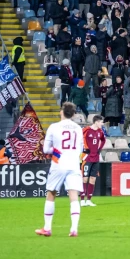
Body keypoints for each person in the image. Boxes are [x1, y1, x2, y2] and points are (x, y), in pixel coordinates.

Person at [36, 102, 84, 237]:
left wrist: (56, 152)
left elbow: (46, 149)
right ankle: (74, 229)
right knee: (74, 196)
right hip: (74, 164)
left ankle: (47, 228)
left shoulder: (54, 127)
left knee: (51, 194)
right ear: (74, 114)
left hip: (59, 164)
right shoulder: (78, 128)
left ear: (61, 112)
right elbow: (80, 149)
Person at [81, 116, 106, 207]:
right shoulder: (86, 130)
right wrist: (85, 149)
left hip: (96, 158)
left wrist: (99, 149)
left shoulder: (100, 132)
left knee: (93, 179)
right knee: (85, 178)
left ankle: (89, 200)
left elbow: (103, 140)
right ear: (96, 122)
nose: (102, 124)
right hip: (87, 157)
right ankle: (82, 200)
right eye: (101, 122)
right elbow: (80, 139)